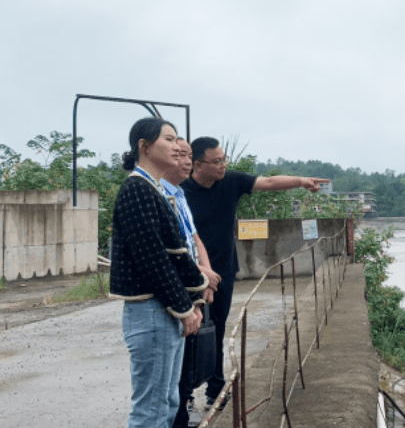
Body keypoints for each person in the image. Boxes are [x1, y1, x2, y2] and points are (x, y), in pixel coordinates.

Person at [180, 136, 329, 409]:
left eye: (224, 159)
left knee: (217, 329)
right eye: (217, 162)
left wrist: (301, 181)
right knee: (187, 331)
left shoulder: (231, 182)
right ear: (198, 165)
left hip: (223, 271)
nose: (223, 165)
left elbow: (269, 183)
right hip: (189, 274)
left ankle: (216, 389)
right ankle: (183, 392)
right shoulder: (181, 191)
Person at [109, 118, 208, 428]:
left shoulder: (153, 189)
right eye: (169, 139)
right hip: (153, 310)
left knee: (166, 403)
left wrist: (189, 304)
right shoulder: (137, 189)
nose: (177, 146)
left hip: (162, 310)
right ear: (145, 146)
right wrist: (184, 308)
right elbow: (152, 259)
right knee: (151, 410)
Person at [161, 138, 223, 428]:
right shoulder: (157, 194)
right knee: (164, 384)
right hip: (174, 291)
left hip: (193, 286)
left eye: (187, 155)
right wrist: (201, 275)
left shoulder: (180, 195)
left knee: (188, 364)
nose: (184, 160)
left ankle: (184, 413)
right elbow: (165, 250)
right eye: (179, 155)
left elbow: (193, 238)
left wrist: (206, 275)